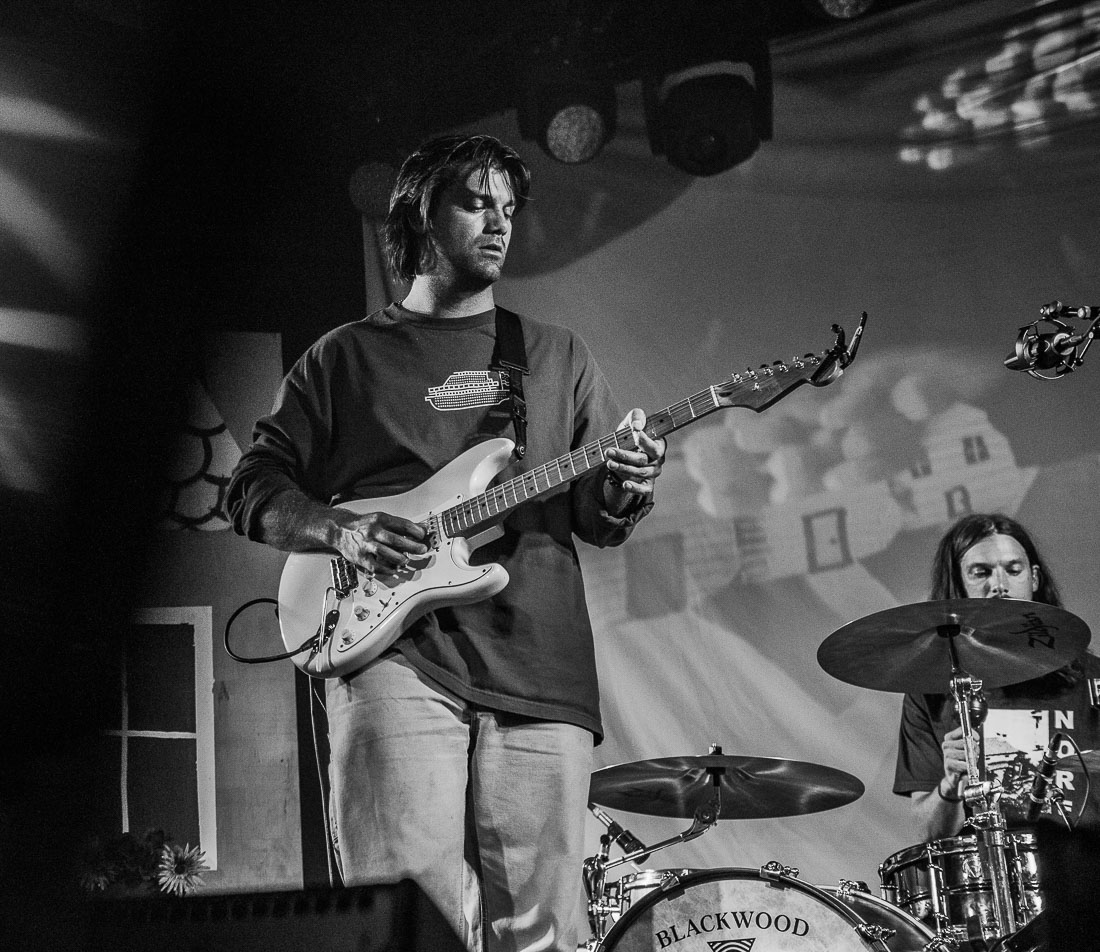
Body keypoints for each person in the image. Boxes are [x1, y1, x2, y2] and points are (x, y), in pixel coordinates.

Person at [226, 133, 665, 952]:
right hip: (392, 654)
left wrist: (628, 483)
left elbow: (600, 519)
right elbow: (251, 487)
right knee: (406, 919)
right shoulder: (343, 358)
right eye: (476, 202)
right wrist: (341, 529)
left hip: (539, 661)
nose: (499, 224)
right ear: (422, 215)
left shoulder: (555, 355)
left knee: (543, 932)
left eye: (509, 208)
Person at [893, 513, 1100, 843]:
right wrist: (951, 784)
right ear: (958, 586)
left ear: (1034, 578)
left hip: (1082, 864)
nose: (999, 585)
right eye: (981, 572)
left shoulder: (1092, 678)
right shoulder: (931, 692)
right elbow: (928, 833)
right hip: (986, 868)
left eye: (1013, 570)